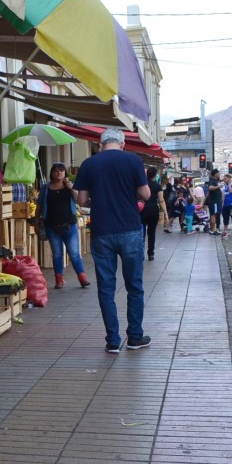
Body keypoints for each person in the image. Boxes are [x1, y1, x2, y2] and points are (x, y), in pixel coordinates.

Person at [73, 128, 151, 353]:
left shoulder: (90, 163)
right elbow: (145, 194)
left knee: (106, 288)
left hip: (101, 231)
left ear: (101, 143)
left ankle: (113, 340)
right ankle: (135, 336)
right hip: (129, 229)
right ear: (123, 143)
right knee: (134, 285)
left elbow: (82, 200)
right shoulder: (132, 160)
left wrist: (101, 200)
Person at [35, 162, 90, 289]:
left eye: (61, 170)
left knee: (74, 253)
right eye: (56, 170)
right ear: (52, 173)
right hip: (51, 226)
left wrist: (71, 187)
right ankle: (58, 279)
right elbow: (39, 206)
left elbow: (78, 199)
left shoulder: (69, 187)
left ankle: (82, 278)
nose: (59, 172)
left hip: (69, 225)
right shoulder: (45, 188)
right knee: (57, 254)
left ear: (65, 173)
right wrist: (37, 221)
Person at [140, 167, 163, 261]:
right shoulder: (158, 186)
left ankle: (141, 254)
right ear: (155, 175)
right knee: (152, 233)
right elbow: (161, 200)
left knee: (141, 233)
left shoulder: (142, 185)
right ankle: (151, 253)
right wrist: (165, 213)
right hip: (154, 211)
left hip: (142, 210)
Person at [205, 169, 223, 235]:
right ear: (215, 174)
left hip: (217, 201)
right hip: (214, 201)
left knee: (215, 214)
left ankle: (213, 229)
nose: (219, 174)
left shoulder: (216, 181)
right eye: (218, 173)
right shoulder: (212, 181)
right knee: (213, 215)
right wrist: (219, 186)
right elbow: (210, 188)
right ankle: (213, 230)